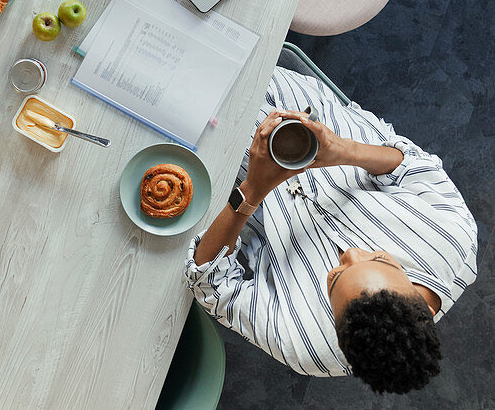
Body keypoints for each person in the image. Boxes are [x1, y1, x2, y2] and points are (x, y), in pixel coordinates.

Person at [184, 66, 477, 393]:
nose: (350, 254)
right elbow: (409, 164)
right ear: (410, 284)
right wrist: (341, 151)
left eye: (335, 276)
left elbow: (210, 283)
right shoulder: (454, 235)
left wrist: (252, 190)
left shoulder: (306, 346)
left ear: (337, 330)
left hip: (214, 167)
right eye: (377, 258)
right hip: (296, 106)